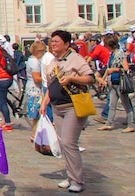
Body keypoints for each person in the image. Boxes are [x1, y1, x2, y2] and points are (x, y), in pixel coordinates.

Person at [39, 29, 95, 193]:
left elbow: (89, 78)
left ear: (66, 44)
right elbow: (51, 86)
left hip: (73, 106)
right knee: (63, 143)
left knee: (69, 142)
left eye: (56, 41)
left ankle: (77, 179)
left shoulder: (76, 59)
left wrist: (72, 78)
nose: (53, 44)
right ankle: (71, 176)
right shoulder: (53, 62)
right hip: (57, 107)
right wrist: (44, 103)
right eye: (52, 41)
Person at [98, 34, 135, 133]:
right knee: (112, 104)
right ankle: (109, 123)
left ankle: (131, 124)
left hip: (120, 82)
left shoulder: (120, 54)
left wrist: (113, 70)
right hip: (113, 82)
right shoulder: (112, 54)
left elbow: (126, 68)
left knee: (126, 103)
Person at [26, 39, 46, 140]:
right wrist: (47, 79)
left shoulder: (31, 59)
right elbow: (36, 78)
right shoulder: (35, 62)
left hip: (31, 87)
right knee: (36, 114)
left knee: (36, 114)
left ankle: (35, 134)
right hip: (35, 89)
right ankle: (34, 135)